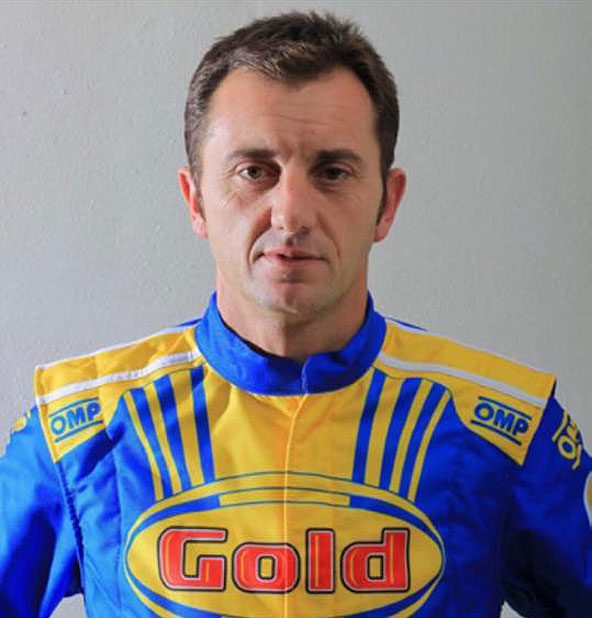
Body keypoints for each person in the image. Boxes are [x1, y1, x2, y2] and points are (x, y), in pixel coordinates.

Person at [0, 11, 590, 618]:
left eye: (332, 172)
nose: (291, 213)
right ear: (195, 199)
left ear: (386, 204)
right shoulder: (77, 430)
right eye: (254, 172)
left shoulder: (507, 427)